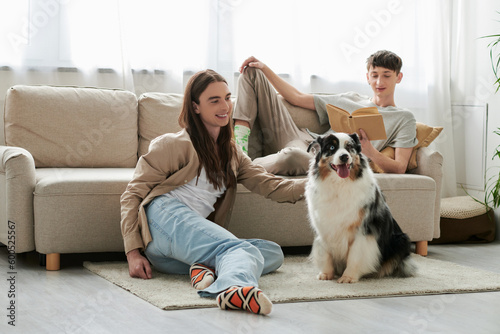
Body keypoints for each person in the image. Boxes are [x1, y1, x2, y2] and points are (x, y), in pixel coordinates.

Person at [120, 69, 306, 316]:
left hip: (183, 253)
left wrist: (321, 184)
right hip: (163, 221)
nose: (225, 106)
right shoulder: (173, 145)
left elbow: (272, 186)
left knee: (273, 253)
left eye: (228, 98)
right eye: (214, 100)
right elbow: (132, 194)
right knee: (241, 251)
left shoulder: (233, 154)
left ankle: (203, 270)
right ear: (196, 107)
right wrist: (133, 253)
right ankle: (234, 289)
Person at [233, 50, 417, 176]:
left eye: (386, 75)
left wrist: (370, 151)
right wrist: (264, 68)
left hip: (322, 160)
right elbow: (297, 97)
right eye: (375, 75)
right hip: (302, 139)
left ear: (398, 77)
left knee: (290, 156)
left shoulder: (404, 118)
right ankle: (238, 153)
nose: (379, 82)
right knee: (252, 72)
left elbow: (400, 167)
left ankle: (238, 167)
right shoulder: (350, 99)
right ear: (367, 77)